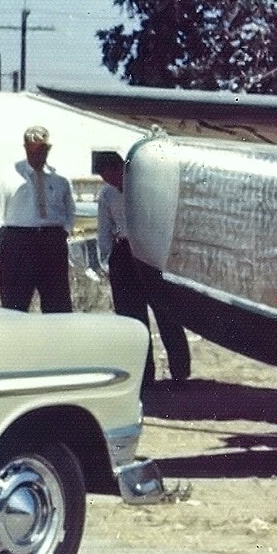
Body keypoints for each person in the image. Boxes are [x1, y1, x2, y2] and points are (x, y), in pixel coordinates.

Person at [94, 152, 191, 389]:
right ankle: (144, 376)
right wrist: (107, 260)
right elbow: (104, 228)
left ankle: (180, 372)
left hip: (151, 251)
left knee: (166, 312)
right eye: (105, 177)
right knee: (132, 317)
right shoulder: (106, 194)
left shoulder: (146, 186)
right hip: (124, 254)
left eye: (112, 174)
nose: (110, 180)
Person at [0, 125, 75, 313]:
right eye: (31, 148)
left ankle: (58, 342)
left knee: (57, 304)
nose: (36, 153)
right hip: (19, 243)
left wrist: (62, 233)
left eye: (41, 149)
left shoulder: (60, 179)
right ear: (25, 147)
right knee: (14, 305)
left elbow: (70, 210)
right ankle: (15, 342)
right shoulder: (8, 176)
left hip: (51, 242)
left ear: (48, 149)